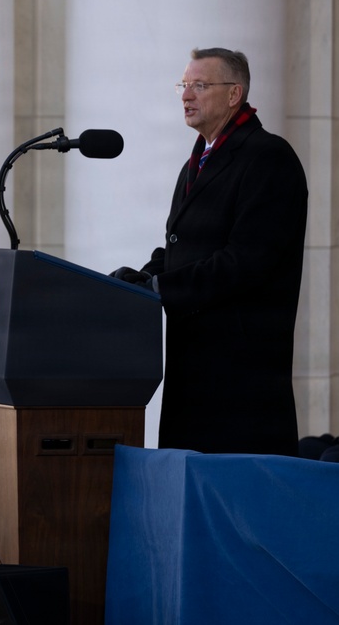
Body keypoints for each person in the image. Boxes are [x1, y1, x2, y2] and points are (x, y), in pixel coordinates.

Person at [112, 48, 308, 456]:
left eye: (200, 86)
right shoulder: (196, 162)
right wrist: (140, 279)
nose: (186, 95)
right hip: (192, 370)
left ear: (234, 94)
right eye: (184, 85)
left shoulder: (269, 158)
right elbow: (184, 246)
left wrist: (159, 286)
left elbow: (245, 262)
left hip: (240, 382)